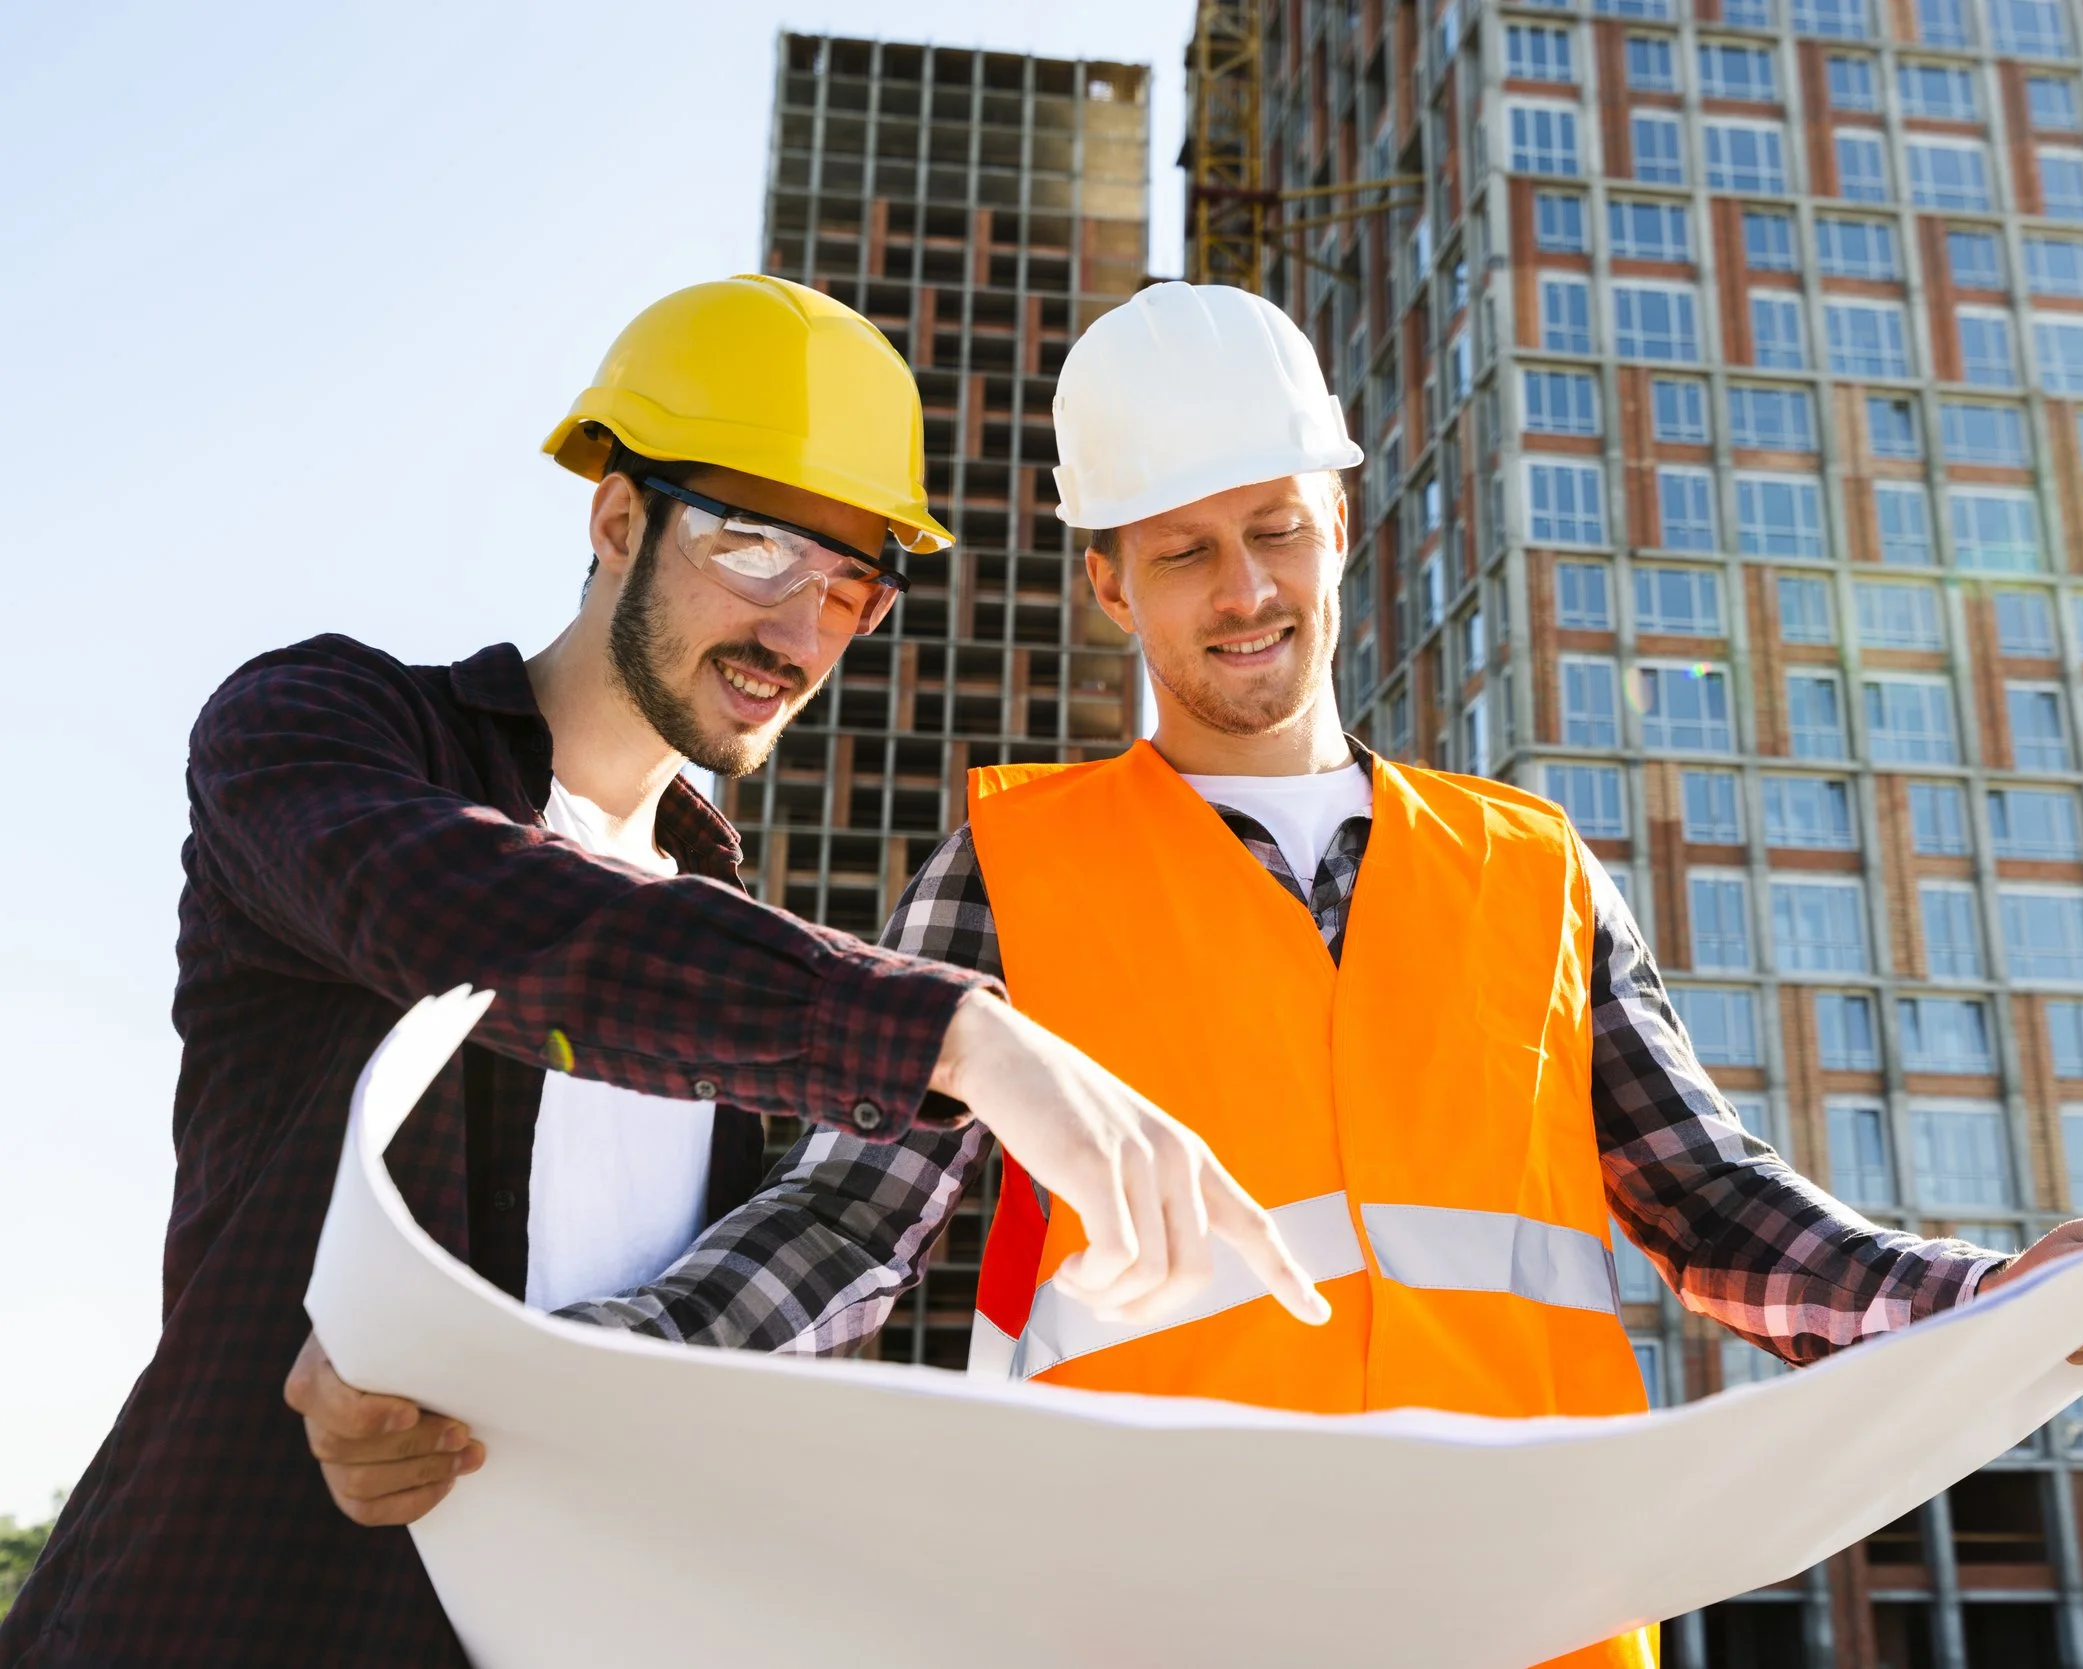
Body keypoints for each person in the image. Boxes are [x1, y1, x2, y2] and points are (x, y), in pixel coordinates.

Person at [554, 283, 2083, 1667]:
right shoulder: (1015, 868)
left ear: (1339, 522)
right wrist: (571, 1380)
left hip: (1531, 1630)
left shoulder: (1531, 868)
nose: (1248, 589)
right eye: (1185, 551)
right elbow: (852, 1222)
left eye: (1275, 528)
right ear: (1109, 582)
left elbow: (1718, 1209)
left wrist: (2006, 1310)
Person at [0, 275, 1321, 1666]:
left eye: (849, 584)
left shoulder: (721, 914)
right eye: (755, 551)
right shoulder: (331, 731)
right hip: (228, 1619)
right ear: (617, 516)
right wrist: (964, 1039)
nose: (797, 637)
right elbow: (475, 925)